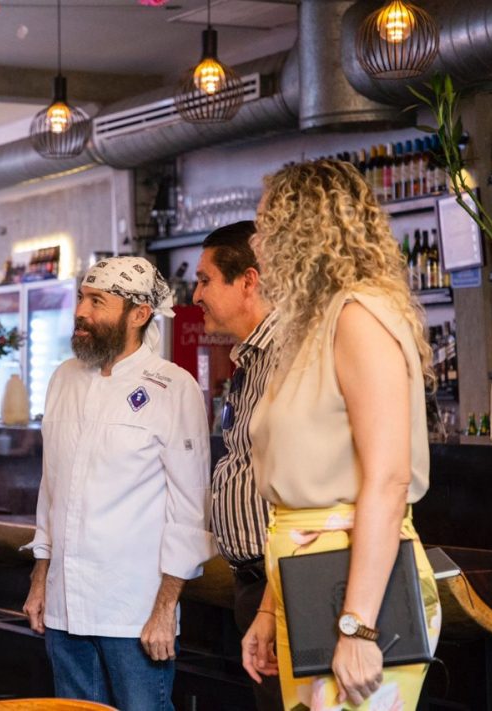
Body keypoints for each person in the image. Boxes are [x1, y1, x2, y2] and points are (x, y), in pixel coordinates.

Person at [242, 159, 441, 710]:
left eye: (266, 225)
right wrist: (269, 607)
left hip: (355, 593)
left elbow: (389, 479)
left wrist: (358, 627)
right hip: (309, 585)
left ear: (302, 231)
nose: (257, 241)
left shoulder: (358, 317)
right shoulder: (314, 323)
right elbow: (302, 497)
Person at [22, 256, 217, 711]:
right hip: (65, 609)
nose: (81, 312)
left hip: (134, 614)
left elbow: (190, 509)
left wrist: (165, 609)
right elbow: (51, 490)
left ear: (138, 314)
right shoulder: (63, 379)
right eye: (82, 299)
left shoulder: (173, 387)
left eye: (97, 302)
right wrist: (39, 578)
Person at [191, 221, 283, 711]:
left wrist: (272, 599)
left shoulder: (287, 354)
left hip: (282, 584)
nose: (196, 295)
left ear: (248, 281)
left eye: (205, 280)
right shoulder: (250, 358)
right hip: (253, 581)